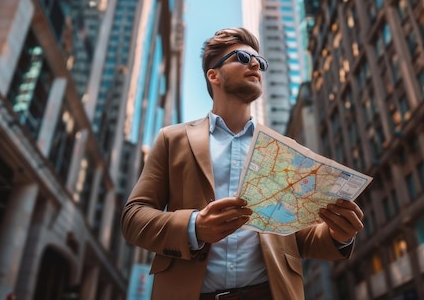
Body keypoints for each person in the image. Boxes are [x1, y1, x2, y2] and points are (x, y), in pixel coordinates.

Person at [121, 27, 364, 300]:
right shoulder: (173, 139)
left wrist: (339, 234)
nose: (255, 65)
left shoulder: (284, 152)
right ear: (213, 75)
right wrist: (195, 226)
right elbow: (133, 218)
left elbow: (297, 238)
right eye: (242, 57)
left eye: (260, 62)